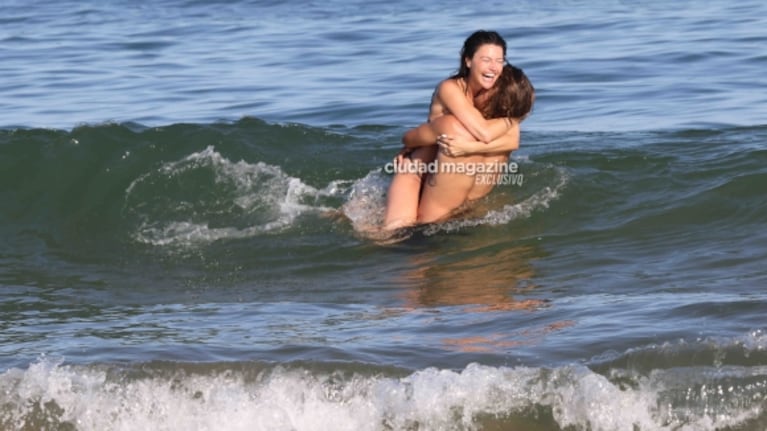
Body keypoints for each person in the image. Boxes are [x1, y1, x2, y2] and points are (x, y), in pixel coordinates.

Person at [383, 30, 516, 231]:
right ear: (468, 61)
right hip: (424, 173)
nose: (494, 67)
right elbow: (484, 133)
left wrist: (468, 149)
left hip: (453, 181)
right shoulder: (450, 88)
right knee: (393, 238)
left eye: (500, 60)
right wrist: (517, 116)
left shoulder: (495, 93)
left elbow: (513, 141)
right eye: (486, 59)